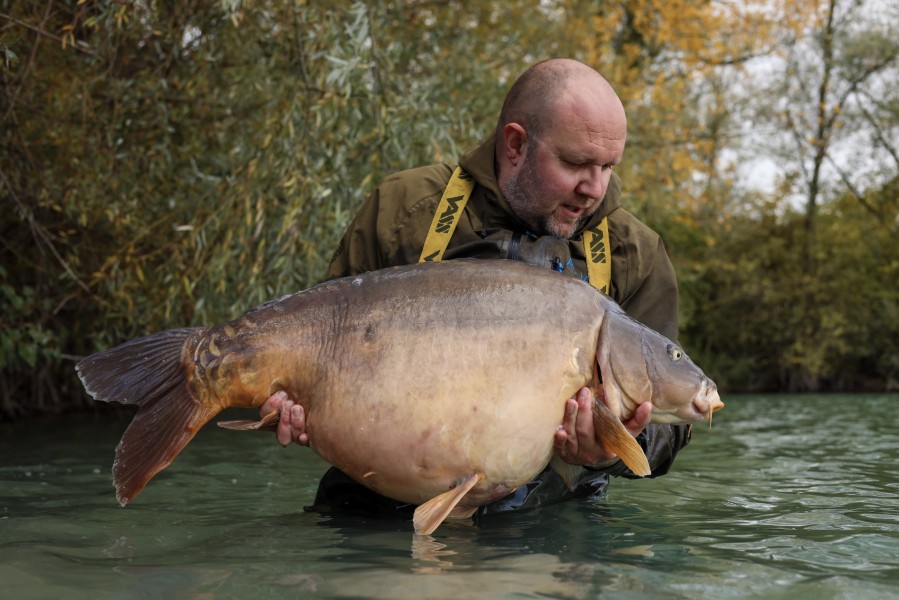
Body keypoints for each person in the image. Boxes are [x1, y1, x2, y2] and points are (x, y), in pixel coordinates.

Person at [261, 57, 691, 517]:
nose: (595, 188)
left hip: (551, 528)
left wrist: (616, 444)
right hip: (375, 516)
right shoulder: (407, 210)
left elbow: (674, 414)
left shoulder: (635, 253)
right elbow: (316, 342)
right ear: (515, 145)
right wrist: (288, 398)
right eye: (574, 163)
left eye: (608, 166)